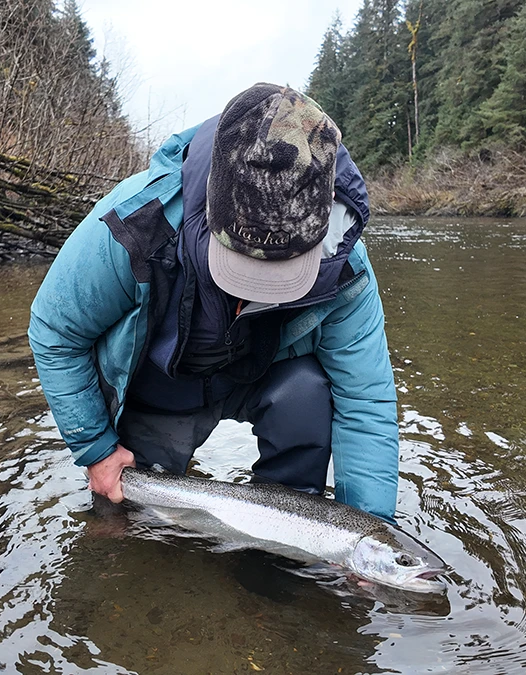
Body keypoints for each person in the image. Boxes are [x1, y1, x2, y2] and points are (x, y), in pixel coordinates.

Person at [28, 83, 399, 520]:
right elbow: (55, 331)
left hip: (254, 375)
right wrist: (96, 449)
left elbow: (365, 398)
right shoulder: (134, 225)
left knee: (307, 393)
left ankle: (277, 551)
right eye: (243, 266)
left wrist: (370, 531)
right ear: (210, 208)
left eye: (279, 274)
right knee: (123, 518)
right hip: (157, 390)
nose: (254, 293)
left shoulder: (344, 266)